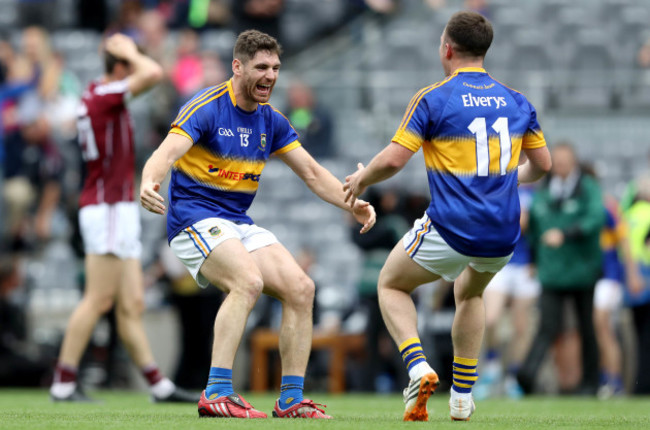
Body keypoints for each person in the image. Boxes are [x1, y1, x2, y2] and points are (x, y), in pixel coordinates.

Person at [139, 29, 375, 419]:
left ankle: (292, 400)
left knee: (302, 288)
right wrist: (149, 181)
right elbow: (165, 154)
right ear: (238, 66)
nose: (270, 75)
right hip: (193, 218)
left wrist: (352, 204)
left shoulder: (272, 120)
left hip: (236, 222)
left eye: (276, 68)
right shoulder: (207, 107)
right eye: (261, 67)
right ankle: (216, 392)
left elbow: (313, 174)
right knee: (248, 282)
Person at [343, 11, 551, 422]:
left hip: (453, 226)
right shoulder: (516, 100)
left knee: (390, 284)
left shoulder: (435, 97)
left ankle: (418, 366)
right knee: (470, 293)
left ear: (447, 48)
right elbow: (541, 165)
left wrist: (362, 179)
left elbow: (394, 159)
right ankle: (461, 396)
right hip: (504, 232)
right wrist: (510, 179)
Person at [49, 33, 196, 403]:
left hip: (117, 207)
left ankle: (158, 386)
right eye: (129, 65)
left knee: (132, 304)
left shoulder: (99, 96)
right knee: (98, 300)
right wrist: (126, 50)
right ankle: (63, 383)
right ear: (119, 67)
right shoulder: (103, 94)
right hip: (107, 206)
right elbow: (154, 73)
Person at [517, 143, 605, 396]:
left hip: (582, 270)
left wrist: (566, 234)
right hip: (551, 272)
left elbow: (595, 218)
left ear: (574, 162)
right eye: (558, 160)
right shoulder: (544, 191)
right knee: (547, 326)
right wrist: (533, 260)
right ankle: (527, 377)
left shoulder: (587, 188)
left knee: (586, 328)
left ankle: (591, 383)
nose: (562, 165)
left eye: (566, 160)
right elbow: (534, 229)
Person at [477, 184, 539, 399]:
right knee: (491, 318)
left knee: (520, 327)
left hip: (525, 266)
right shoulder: (495, 185)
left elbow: (530, 227)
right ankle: (493, 364)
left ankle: (513, 375)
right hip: (499, 262)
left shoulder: (535, 192)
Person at [593, 196, 643, 398]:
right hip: (595, 276)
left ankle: (615, 382)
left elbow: (624, 239)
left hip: (610, 276)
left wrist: (632, 273)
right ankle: (607, 380)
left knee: (603, 326)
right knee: (601, 330)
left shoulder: (606, 205)